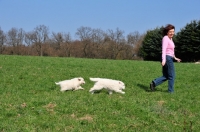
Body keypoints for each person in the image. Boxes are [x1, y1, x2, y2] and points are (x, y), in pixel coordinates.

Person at [150, 24, 181, 93]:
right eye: (170, 31)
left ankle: (154, 83)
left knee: (166, 76)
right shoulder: (165, 38)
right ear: (167, 32)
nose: (172, 33)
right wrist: (164, 60)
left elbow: (171, 51)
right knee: (172, 75)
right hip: (167, 58)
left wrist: (175, 58)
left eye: (173, 31)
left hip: (169, 57)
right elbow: (164, 50)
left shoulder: (170, 39)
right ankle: (171, 91)